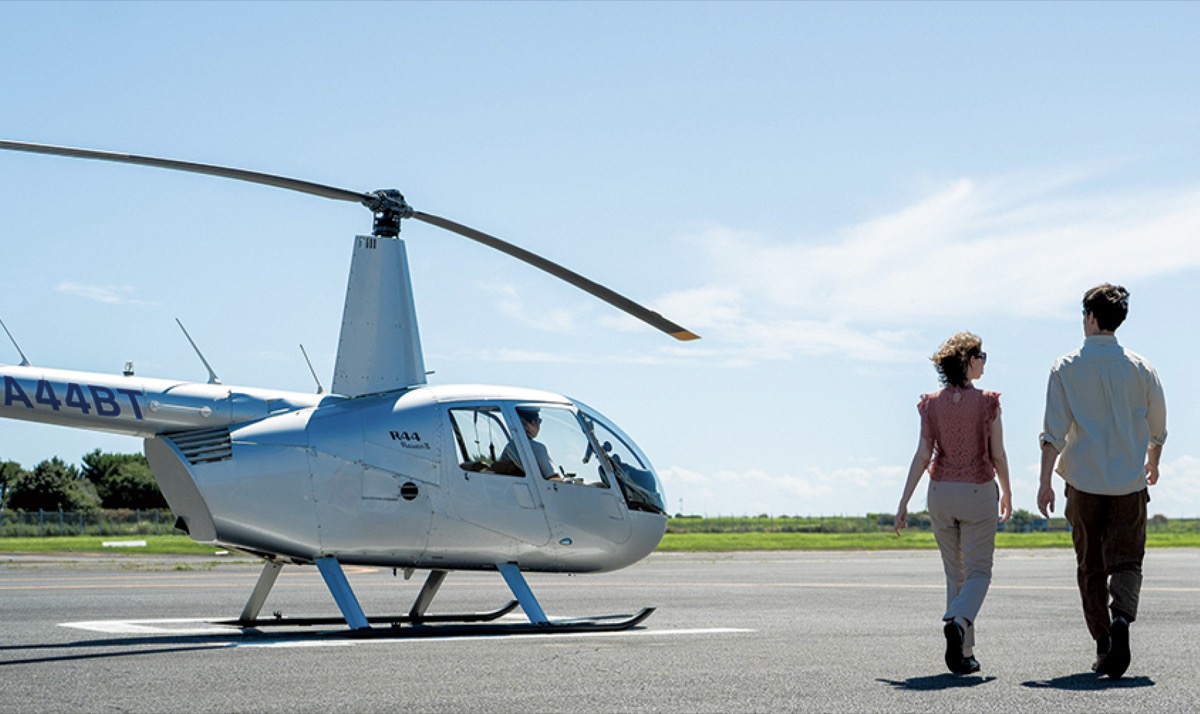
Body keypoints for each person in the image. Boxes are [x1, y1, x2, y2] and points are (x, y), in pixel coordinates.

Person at [1037, 283, 1167, 680]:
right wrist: (1153, 462)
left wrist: (1044, 482)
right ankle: (1122, 620)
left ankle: (1103, 644)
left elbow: (1053, 433)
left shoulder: (1065, 367)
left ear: (1091, 317)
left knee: (1090, 566)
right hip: (1129, 483)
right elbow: (1158, 427)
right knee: (1128, 561)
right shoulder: (1142, 367)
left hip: (1084, 483)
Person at [895, 331, 1012, 675]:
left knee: (954, 575)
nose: (985, 362)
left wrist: (904, 502)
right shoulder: (988, 401)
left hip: (940, 492)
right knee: (978, 573)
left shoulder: (930, 403)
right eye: (982, 356)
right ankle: (958, 623)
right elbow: (998, 454)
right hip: (976, 491)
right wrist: (1006, 489)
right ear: (969, 361)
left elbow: (921, 455)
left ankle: (964, 653)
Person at [497, 407, 561, 480]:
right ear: (533, 423)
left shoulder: (509, 447)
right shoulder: (538, 448)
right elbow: (554, 480)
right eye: (539, 421)